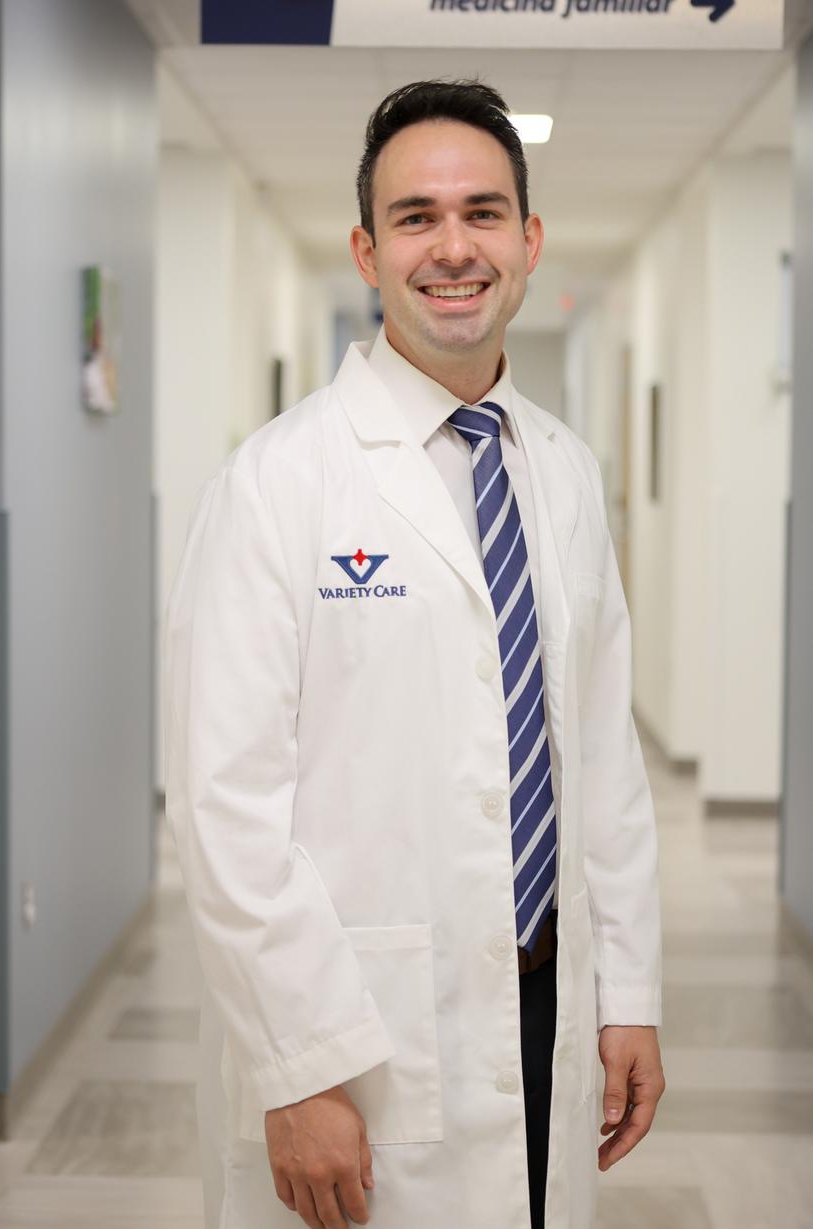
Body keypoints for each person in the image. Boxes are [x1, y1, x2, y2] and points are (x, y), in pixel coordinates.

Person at [164, 79, 665, 1229]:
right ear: (367, 251)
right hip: (361, 1030)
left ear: (529, 241)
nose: (453, 247)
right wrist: (299, 1063)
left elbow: (603, 759)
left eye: (483, 212)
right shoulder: (276, 482)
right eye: (416, 217)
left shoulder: (564, 470)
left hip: (545, 1002)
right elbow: (223, 804)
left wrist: (628, 989)